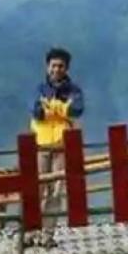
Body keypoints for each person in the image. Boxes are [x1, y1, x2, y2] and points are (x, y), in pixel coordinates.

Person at [29, 47, 84, 210]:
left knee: (57, 190)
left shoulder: (74, 90)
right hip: (41, 145)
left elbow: (77, 109)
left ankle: (48, 233)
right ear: (47, 67)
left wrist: (52, 106)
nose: (56, 69)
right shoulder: (39, 89)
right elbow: (36, 111)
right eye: (53, 66)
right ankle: (33, 230)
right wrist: (62, 108)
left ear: (66, 68)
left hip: (62, 144)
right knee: (38, 187)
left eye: (60, 66)